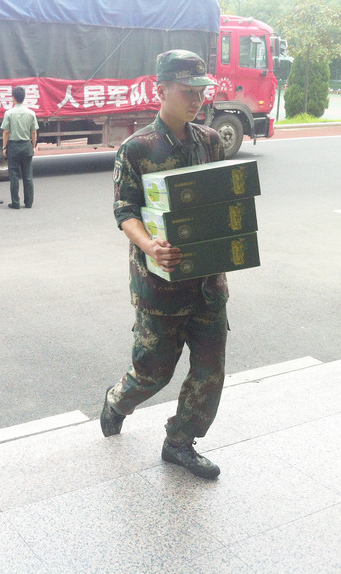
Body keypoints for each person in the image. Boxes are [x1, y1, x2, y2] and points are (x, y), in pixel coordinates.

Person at [100, 50, 227, 480]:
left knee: (210, 369)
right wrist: (151, 247)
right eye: (187, 91)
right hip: (160, 286)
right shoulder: (137, 149)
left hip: (207, 281)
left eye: (200, 91)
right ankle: (118, 400)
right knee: (153, 372)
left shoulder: (210, 141)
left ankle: (180, 443)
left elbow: (221, 199)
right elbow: (125, 211)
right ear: (161, 90)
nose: (197, 99)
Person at [1, 86, 38, 209]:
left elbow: (6, 132)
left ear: (13, 98)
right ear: (24, 98)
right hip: (26, 145)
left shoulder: (9, 113)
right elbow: (34, 132)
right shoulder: (31, 113)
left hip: (14, 146)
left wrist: (4, 147)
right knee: (28, 176)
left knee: (14, 176)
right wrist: (33, 146)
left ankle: (15, 203)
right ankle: (29, 202)